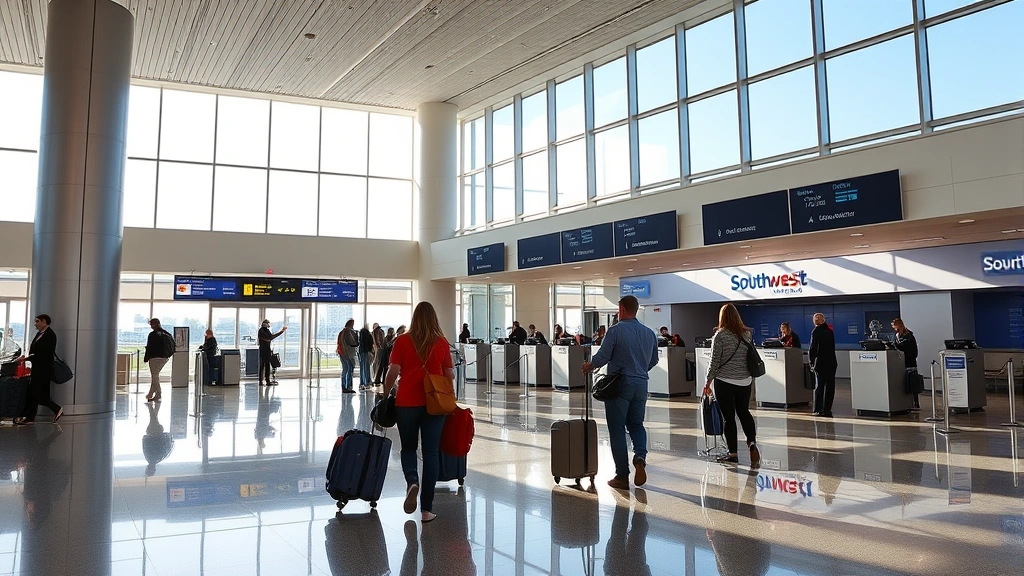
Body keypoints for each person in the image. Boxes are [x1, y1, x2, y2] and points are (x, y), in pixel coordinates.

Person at [383, 301, 454, 523]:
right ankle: (426, 510)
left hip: (406, 402)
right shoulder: (441, 342)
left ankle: (412, 480)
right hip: (434, 402)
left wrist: (385, 396)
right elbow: (449, 374)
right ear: (434, 318)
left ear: (414, 318)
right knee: (431, 453)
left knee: (409, 448)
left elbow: (392, 371)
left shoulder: (403, 340)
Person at [581, 295, 658, 490]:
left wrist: (589, 366)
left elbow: (603, 357)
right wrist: (640, 370)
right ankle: (640, 457)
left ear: (622, 310)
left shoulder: (615, 331)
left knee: (617, 429)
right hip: (641, 384)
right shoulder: (649, 333)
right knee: (636, 424)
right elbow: (654, 360)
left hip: (620, 383)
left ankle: (622, 476)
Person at [704, 304, 760, 467]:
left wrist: (708, 382)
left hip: (725, 381)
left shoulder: (720, 336)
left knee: (729, 418)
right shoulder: (747, 334)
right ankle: (751, 443)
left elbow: (714, 362)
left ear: (722, 317)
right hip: (745, 381)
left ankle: (733, 454)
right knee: (744, 412)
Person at [14, 314, 62, 425]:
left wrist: (27, 358)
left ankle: (31, 417)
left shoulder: (50, 335)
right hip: (37, 368)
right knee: (37, 393)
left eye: (37, 321)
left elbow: (44, 353)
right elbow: (35, 351)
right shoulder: (40, 334)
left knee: (35, 392)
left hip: (43, 369)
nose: (35, 324)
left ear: (44, 322)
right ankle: (52, 410)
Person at [809, 312, 837, 417]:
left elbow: (813, 348)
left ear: (815, 321)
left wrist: (811, 361)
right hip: (832, 362)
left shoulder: (816, 331)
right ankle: (827, 409)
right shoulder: (830, 331)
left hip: (820, 362)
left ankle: (818, 409)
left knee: (820, 386)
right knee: (830, 386)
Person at [143, 318, 174, 403]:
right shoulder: (167, 334)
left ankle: (158, 393)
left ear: (153, 325)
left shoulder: (152, 335)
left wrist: (146, 358)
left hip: (154, 358)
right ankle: (151, 393)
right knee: (155, 375)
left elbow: (150, 347)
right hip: (164, 358)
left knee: (155, 376)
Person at [892, 318, 920, 409]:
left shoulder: (909, 337)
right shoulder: (897, 336)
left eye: (895, 327)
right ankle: (906, 403)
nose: (894, 329)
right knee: (904, 383)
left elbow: (913, 351)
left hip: (910, 363)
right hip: (901, 363)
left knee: (913, 383)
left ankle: (916, 402)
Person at [258, 319, 286, 386]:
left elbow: (270, 338)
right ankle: (262, 381)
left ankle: (266, 381)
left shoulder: (266, 330)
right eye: (267, 323)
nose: (268, 325)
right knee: (263, 365)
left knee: (266, 365)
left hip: (266, 349)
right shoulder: (261, 330)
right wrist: (281, 331)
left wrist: (281, 331)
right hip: (263, 350)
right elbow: (270, 338)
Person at [337, 319, 358, 393]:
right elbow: (352, 342)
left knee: (345, 369)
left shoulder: (342, 332)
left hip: (342, 352)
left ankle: (344, 386)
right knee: (350, 368)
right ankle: (348, 387)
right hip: (348, 353)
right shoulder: (348, 332)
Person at [358, 323, 374, 389]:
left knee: (363, 367)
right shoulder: (366, 333)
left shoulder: (361, 333)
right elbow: (370, 342)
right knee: (366, 367)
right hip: (366, 351)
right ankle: (367, 381)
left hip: (362, 351)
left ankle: (363, 381)